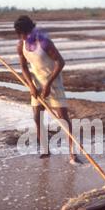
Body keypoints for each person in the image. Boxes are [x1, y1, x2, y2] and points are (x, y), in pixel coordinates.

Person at [14, 15, 81, 164]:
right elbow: (24, 67)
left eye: (26, 33)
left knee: (63, 119)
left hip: (53, 83)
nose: (24, 37)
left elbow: (60, 62)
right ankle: (45, 149)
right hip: (36, 85)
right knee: (37, 117)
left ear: (31, 29)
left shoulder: (44, 43)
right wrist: (31, 85)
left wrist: (48, 84)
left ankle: (72, 154)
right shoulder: (21, 45)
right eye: (21, 34)